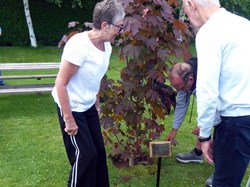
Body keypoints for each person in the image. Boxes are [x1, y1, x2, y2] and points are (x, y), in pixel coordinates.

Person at [51, 0, 125, 186]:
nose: (121, 31)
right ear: (105, 25)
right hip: (71, 105)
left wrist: (97, 104)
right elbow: (61, 84)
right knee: (85, 155)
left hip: (88, 104)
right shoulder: (79, 45)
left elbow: (97, 76)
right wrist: (68, 119)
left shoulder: (106, 46)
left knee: (99, 151)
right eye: (119, 26)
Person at [182, 0, 250, 186]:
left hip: (235, 121)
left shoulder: (209, 32)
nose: (188, 19)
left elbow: (207, 88)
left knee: (224, 183)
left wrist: (205, 135)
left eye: (186, 13)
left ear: (192, 4)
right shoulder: (244, 24)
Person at [166, 57, 215, 186]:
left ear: (191, 79)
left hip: (232, 101)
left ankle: (222, 171)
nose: (178, 91)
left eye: (179, 87)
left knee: (224, 128)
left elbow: (215, 104)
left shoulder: (206, 79)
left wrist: (204, 124)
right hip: (211, 98)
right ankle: (198, 154)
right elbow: (181, 105)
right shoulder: (185, 77)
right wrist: (174, 130)